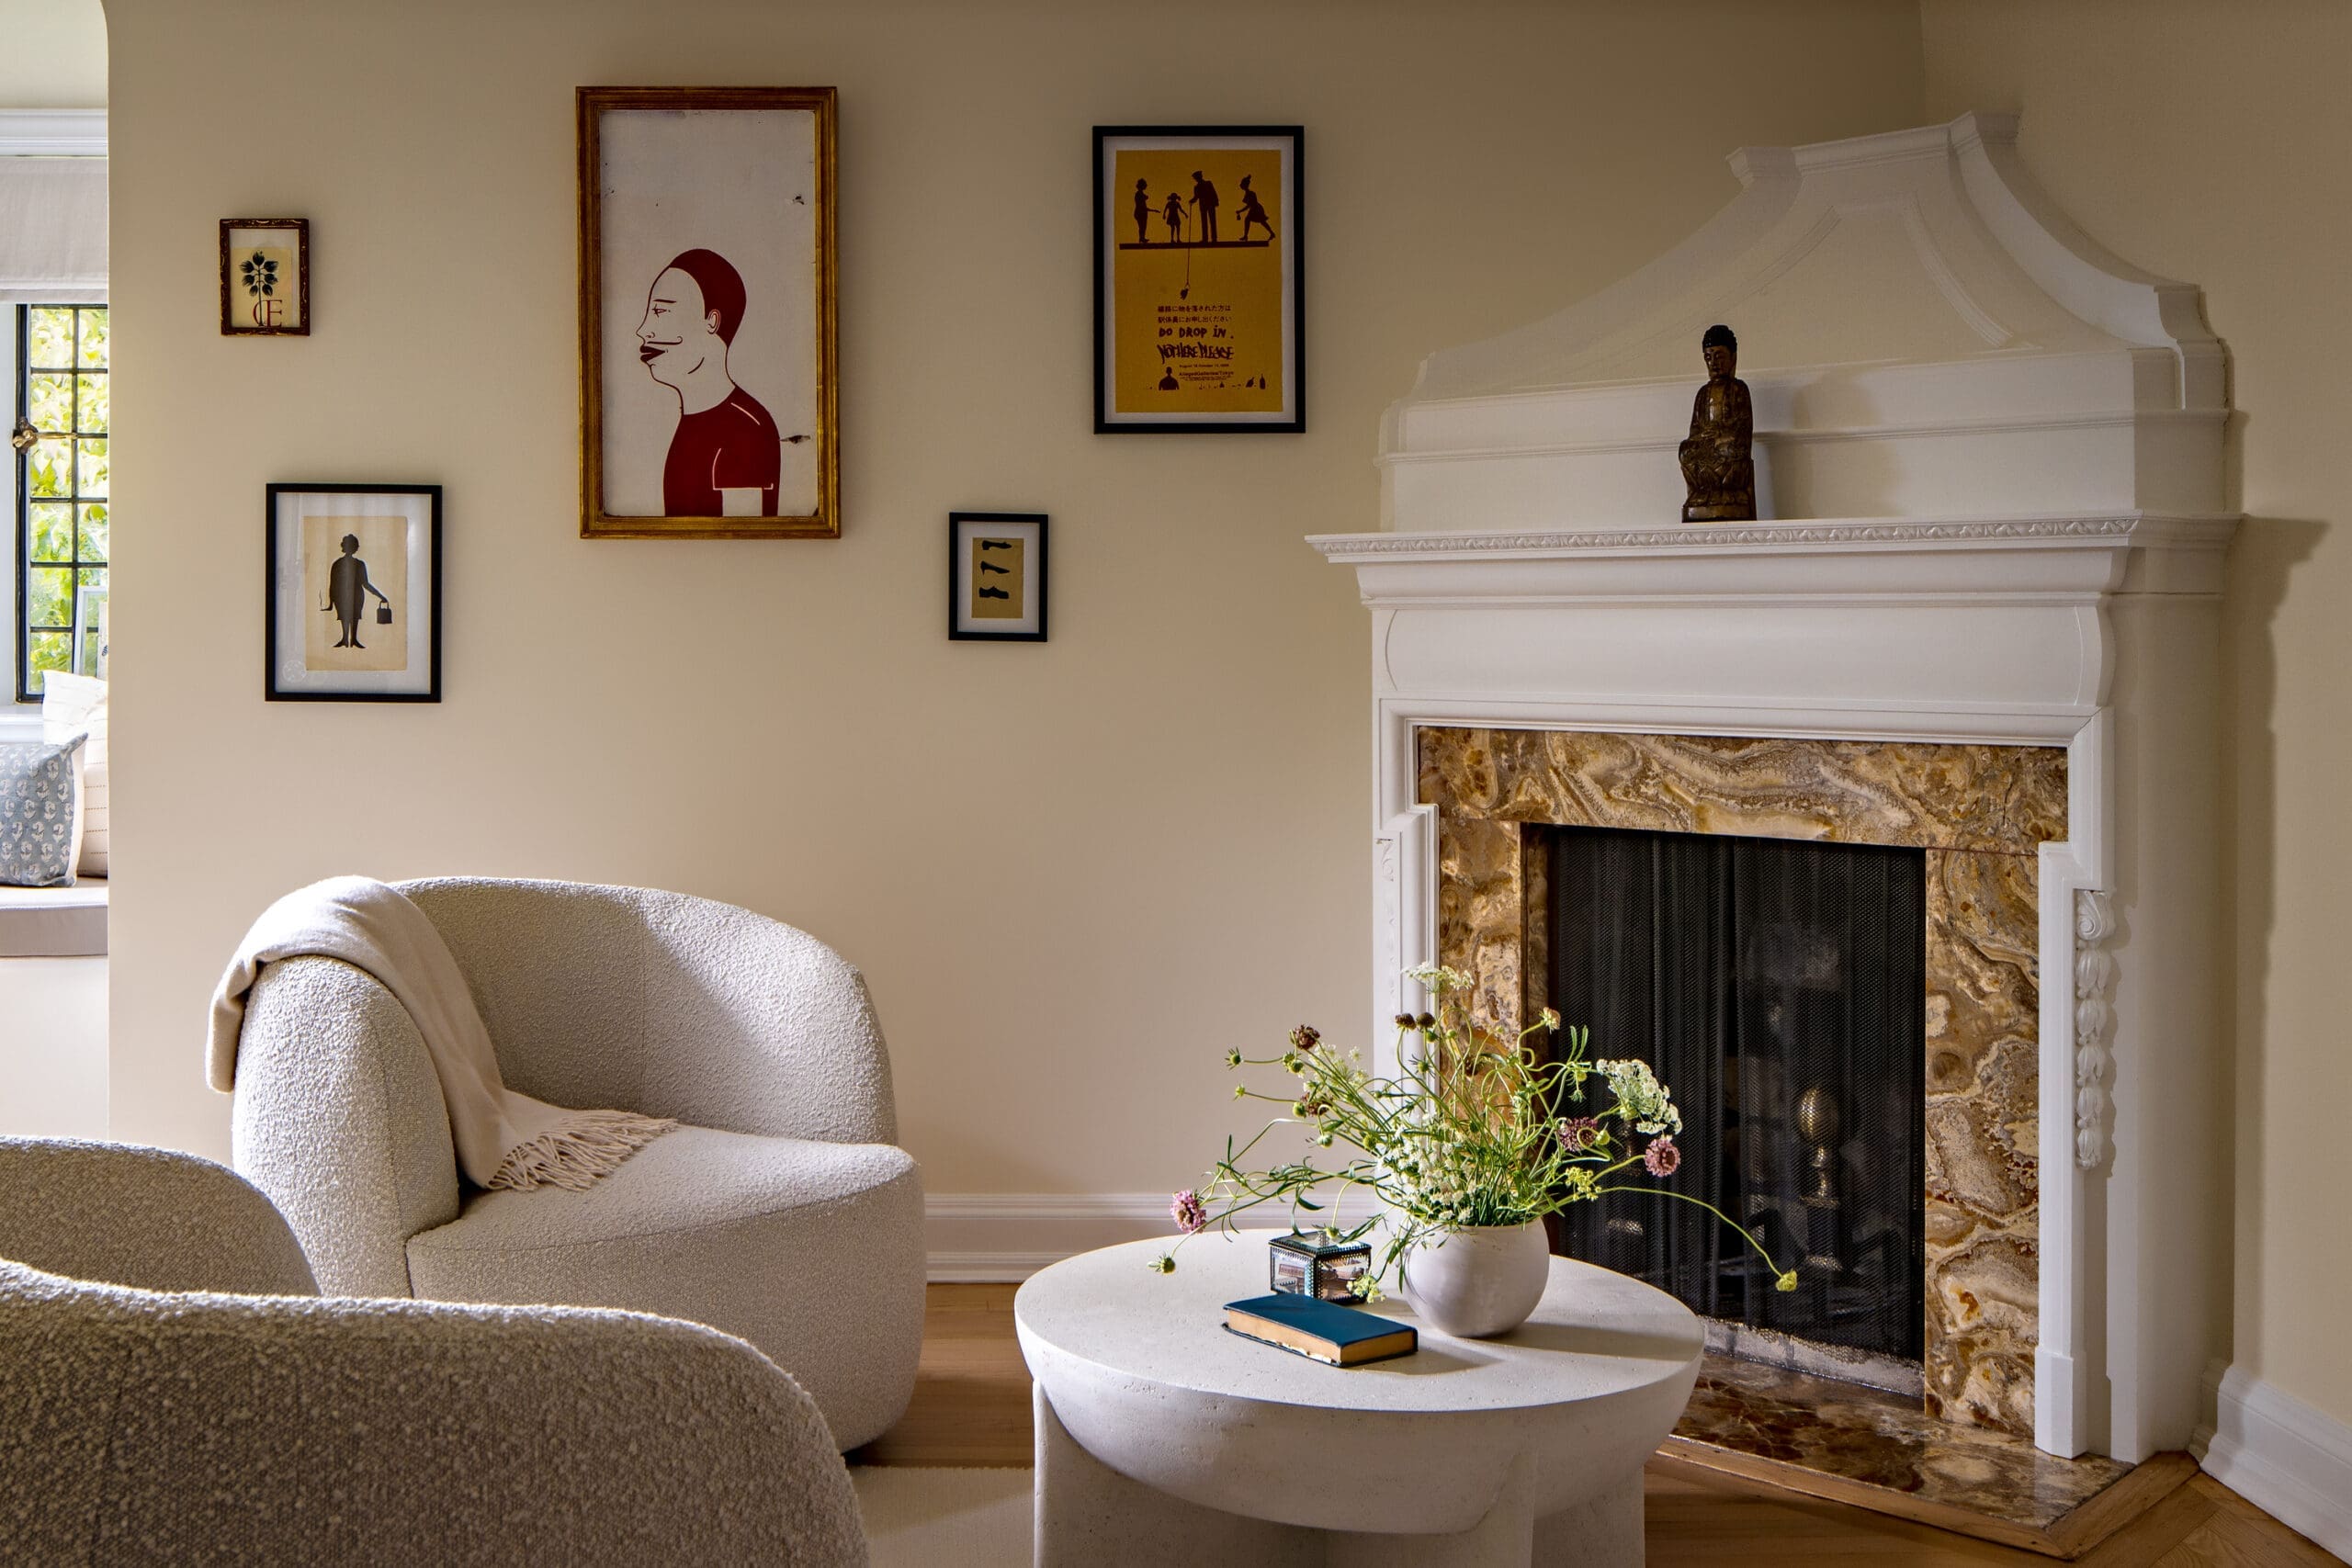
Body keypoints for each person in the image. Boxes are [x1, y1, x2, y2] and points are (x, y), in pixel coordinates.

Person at [636, 248, 782, 518]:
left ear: (711, 321)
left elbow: (745, 539)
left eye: (661, 311)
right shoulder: (693, 423)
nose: (643, 330)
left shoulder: (746, 430)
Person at [1678, 323, 1755, 522]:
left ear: (1733, 358)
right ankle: (1705, 491)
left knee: (1733, 449)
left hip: (1727, 451)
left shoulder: (1738, 390)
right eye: (1708, 358)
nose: (1714, 363)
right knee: (1685, 452)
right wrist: (1702, 438)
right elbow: (1695, 430)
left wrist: (1721, 436)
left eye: (1719, 356)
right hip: (1708, 452)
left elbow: (1743, 430)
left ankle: (1728, 493)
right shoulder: (1703, 394)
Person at [325, 534, 390, 649]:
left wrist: (380, 596)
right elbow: (333, 584)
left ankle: (352, 639)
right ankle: (346, 638)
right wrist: (331, 603)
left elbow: (365, 584)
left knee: (354, 616)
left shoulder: (356, 564)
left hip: (356, 595)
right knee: (344, 616)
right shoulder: (339, 564)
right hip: (342, 595)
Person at [1235, 175, 1274, 241]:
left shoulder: (1251, 194)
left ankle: (1246, 236)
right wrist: (1240, 211)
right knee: (1261, 221)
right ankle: (1271, 233)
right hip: (1254, 209)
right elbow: (1249, 205)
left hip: (1256, 209)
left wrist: (1240, 211)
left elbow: (1248, 205)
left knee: (1251, 220)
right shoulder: (1248, 194)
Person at [1189, 170, 1219, 243]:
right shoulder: (1196, 187)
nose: (1196, 179)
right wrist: (1192, 201)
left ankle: (1214, 238)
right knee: (1204, 222)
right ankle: (1205, 238)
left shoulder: (1208, 183)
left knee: (1212, 221)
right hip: (1203, 205)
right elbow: (1196, 197)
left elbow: (1213, 192)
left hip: (1210, 204)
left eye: (1197, 177)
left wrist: (1216, 201)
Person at [1131, 176, 1150, 245]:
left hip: (1141, 212)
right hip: (1140, 213)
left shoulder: (1140, 193)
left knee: (1143, 226)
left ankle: (1142, 238)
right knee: (1142, 226)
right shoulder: (1139, 194)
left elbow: (1145, 197)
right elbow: (1142, 204)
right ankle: (1141, 238)